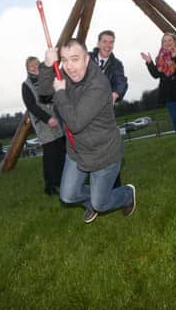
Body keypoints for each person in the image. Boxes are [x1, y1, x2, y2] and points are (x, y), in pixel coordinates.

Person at [39, 39, 136, 224]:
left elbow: (75, 123)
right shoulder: (68, 75)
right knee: (67, 196)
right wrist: (47, 65)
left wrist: (60, 93)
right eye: (64, 60)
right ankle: (91, 202)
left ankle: (127, 194)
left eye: (75, 59)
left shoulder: (98, 85)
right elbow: (44, 91)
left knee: (101, 203)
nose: (69, 66)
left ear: (87, 59)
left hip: (103, 154)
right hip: (77, 152)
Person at [141, 33, 176, 154]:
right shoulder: (160, 57)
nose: (167, 43)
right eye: (164, 41)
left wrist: (175, 55)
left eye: (169, 40)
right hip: (169, 94)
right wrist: (150, 62)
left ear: (175, 41)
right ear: (162, 43)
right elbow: (156, 75)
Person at [89, 30, 128, 188]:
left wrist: (116, 93)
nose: (108, 45)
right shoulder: (86, 59)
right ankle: (95, 186)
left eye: (111, 42)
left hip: (105, 112)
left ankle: (116, 186)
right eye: (105, 41)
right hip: (85, 112)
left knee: (110, 147)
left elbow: (121, 81)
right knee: (90, 149)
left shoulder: (117, 64)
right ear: (98, 43)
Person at [21, 56, 65, 196]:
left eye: (36, 64)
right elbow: (31, 106)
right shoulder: (26, 85)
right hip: (44, 123)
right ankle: (50, 186)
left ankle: (62, 180)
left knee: (61, 151)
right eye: (31, 66)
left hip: (57, 119)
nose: (34, 67)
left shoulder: (47, 79)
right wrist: (47, 119)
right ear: (27, 69)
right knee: (51, 154)